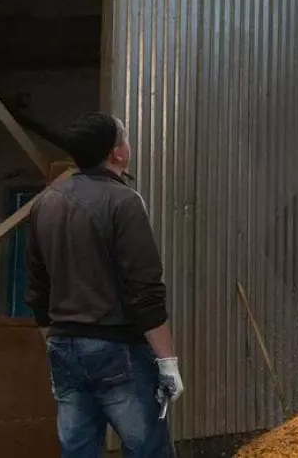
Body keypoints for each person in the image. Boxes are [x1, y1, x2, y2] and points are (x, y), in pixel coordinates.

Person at [26, 112, 184, 458]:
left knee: (77, 449)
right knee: (147, 448)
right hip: (115, 347)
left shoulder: (45, 203)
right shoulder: (123, 201)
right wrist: (167, 361)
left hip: (63, 346)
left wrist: (57, 340)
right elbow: (145, 288)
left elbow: (37, 288)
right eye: (124, 138)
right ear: (117, 153)